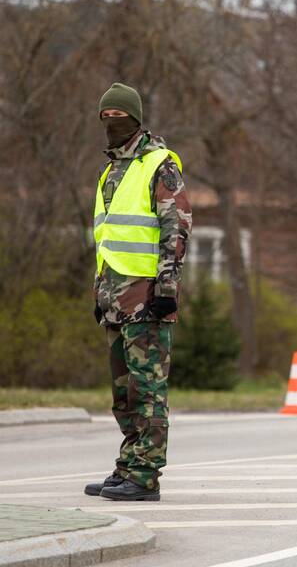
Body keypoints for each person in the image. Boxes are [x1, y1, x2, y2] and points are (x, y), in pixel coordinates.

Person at [85, 83, 191, 502]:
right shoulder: (112, 169)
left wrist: (166, 286)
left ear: (135, 118)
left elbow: (176, 227)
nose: (111, 124)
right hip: (114, 297)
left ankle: (145, 476)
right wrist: (101, 293)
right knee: (124, 392)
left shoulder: (159, 165)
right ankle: (129, 464)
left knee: (148, 391)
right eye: (105, 118)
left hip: (147, 297)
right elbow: (108, 237)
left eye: (118, 117)